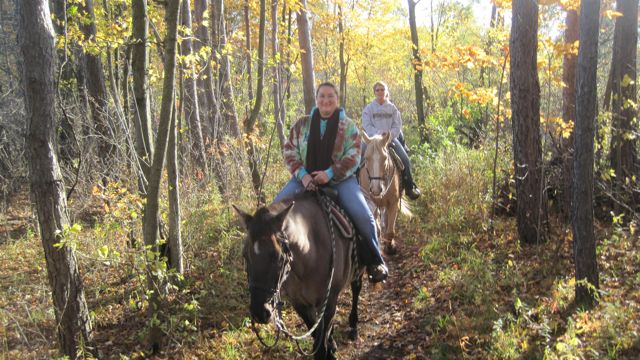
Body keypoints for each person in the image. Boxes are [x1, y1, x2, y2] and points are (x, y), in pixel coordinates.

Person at [273, 82, 388, 283]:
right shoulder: (301, 125)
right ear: (316, 100)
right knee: (273, 212)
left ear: (337, 99)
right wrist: (303, 175)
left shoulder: (349, 126)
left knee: (363, 215)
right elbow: (289, 151)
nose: (326, 100)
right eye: (322, 96)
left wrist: (330, 173)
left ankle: (375, 261)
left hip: (340, 181)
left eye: (330, 96)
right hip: (304, 179)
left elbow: (354, 155)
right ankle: (272, 268)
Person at [361, 81, 421, 200]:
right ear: (374, 92)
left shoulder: (392, 109)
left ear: (386, 91)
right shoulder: (369, 108)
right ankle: (355, 185)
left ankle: (409, 187)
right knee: (358, 158)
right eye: (377, 90)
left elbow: (397, 125)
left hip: (390, 139)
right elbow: (366, 124)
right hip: (372, 140)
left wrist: (389, 136)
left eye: (382, 89)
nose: (380, 92)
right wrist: (377, 134)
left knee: (404, 159)